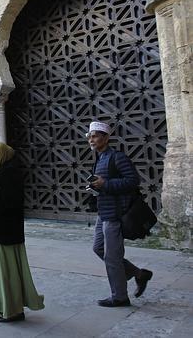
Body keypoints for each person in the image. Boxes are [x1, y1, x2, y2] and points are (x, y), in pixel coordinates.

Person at [0, 142, 44, 322]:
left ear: (0, 156)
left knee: (4, 273)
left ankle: (12, 310)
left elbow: (10, 202)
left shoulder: (10, 174)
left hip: (3, 234)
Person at [87, 121, 153, 307]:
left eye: (95, 135)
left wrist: (105, 184)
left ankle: (120, 297)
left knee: (112, 257)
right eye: (89, 136)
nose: (91, 139)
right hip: (104, 211)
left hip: (116, 214)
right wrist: (96, 187)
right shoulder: (99, 158)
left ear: (106, 138)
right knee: (98, 248)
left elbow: (132, 181)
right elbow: (104, 182)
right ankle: (140, 274)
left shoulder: (117, 157)